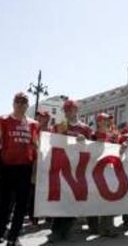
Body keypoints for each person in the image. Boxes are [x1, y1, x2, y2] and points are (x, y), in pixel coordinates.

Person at [0, 92, 40, 246]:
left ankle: (13, 236)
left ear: (27, 105)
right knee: (4, 203)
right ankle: (0, 230)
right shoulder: (3, 121)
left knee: (22, 204)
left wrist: (35, 171)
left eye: (24, 102)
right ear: (13, 103)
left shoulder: (33, 124)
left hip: (25, 168)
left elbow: (36, 147)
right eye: (18, 101)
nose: (21, 104)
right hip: (6, 167)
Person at [49, 99, 93, 242]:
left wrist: (84, 141)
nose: (69, 112)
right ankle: (56, 230)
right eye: (67, 110)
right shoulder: (59, 126)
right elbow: (50, 144)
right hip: (62, 167)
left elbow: (92, 147)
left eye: (72, 109)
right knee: (60, 199)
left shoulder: (85, 128)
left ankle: (67, 229)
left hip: (78, 169)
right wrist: (60, 135)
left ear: (76, 110)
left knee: (73, 199)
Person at [88, 113, 119, 237]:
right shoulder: (92, 135)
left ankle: (108, 227)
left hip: (110, 170)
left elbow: (118, 149)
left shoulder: (113, 136)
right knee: (94, 200)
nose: (108, 122)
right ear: (99, 121)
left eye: (108, 120)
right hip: (95, 171)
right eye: (105, 120)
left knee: (110, 199)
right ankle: (94, 226)